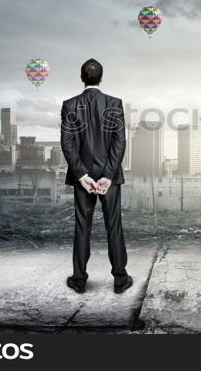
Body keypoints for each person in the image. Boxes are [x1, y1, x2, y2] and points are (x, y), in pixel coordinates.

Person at [60, 58, 132, 294]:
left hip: (84, 177)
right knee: (114, 225)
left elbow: (67, 143)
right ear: (101, 77)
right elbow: (119, 142)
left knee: (82, 226)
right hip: (108, 176)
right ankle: (120, 279)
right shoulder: (114, 104)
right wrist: (109, 174)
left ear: (82, 78)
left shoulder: (69, 105)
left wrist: (81, 174)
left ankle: (79, 280)